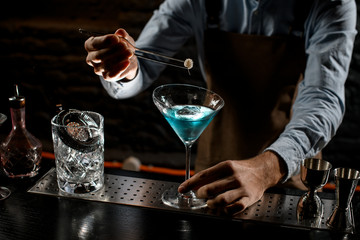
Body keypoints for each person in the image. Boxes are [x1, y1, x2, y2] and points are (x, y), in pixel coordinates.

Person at [84, 0, 357, 215]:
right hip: (212, 169)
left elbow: (324, 100)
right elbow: (141, 67)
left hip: (288, 174)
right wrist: (122, 67)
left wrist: (266, 170)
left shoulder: (330, 4)